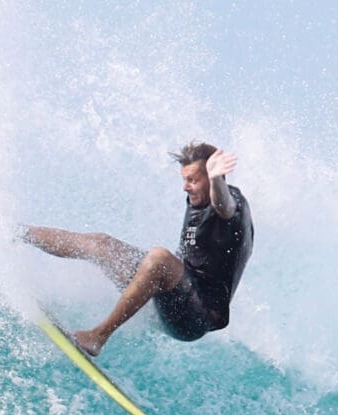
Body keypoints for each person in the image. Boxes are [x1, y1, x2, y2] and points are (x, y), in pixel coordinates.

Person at [21, 142, 253, 357]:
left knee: (159, 258)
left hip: (194, 318)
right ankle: (15, 234)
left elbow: (224, 206)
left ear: (213, 178)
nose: (185, 187)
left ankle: (97, 337)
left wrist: (216, 181)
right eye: (184, 179)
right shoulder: (198, 199)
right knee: (101, 244)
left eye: (192, 180)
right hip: (167, 299)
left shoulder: (232, 204)